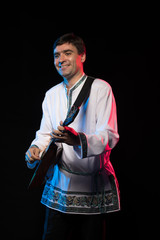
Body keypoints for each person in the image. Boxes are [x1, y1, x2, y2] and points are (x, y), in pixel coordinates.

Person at [25, 33, 120, 240]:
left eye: (68, 53)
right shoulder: (51, 94)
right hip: (59, 185)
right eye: (57, 55)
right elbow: (44, 134)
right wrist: (35, 149)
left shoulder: (101, 88)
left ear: (82, 56)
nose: (61, 59)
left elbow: (109, 135)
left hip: (92, 187)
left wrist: (77, 140)